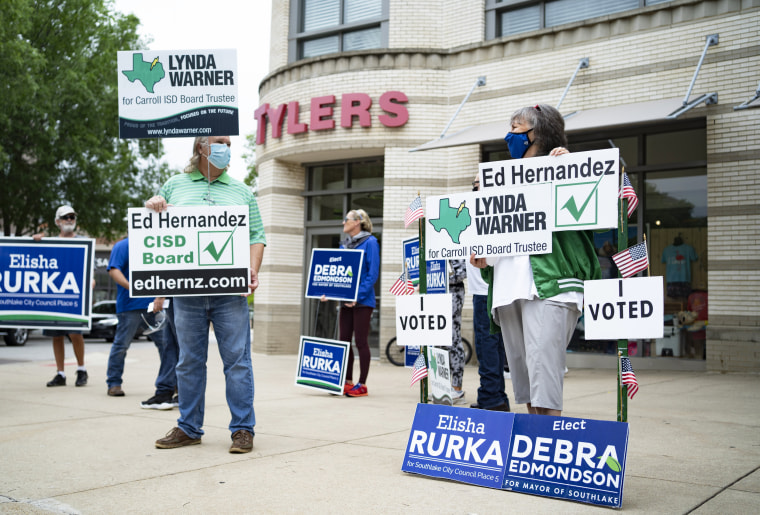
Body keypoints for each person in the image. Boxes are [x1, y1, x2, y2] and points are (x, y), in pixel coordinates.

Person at [470, 104, 601, 416]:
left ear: (537, 133)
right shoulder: (503, 178)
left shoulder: (566, 168)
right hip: (508, 285)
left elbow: (605, 209)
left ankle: (547, 449)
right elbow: (503, 230)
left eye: (516, 129)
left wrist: (574, 170)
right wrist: (484, 258)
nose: (509, 136)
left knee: (545, 372)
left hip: (550, 283)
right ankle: (534, 448)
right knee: (525, 376)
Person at [146, 135, 265, 454]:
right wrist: (153, 209)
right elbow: (156, 234)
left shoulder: (241, 191)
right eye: (219, 141)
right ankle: (188, 427)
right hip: (187, 294)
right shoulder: (174, 185)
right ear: (201, 146)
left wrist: (252, 269)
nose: (227, 146)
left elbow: (257, 236)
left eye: (228, 141)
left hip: (231, 293)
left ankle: (242, 429)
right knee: (188, 362)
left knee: (238, 362)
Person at [105, 237, 175, 408]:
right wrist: (133, 287)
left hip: (155, 305)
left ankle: (170, 384)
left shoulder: (156, 242)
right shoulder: (123, 245)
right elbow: (114, 270)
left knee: (167, 346)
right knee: (121, 345)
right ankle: (114, 383)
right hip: (130, 306)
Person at [467, 178, 510, 412]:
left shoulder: (494, 212)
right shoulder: (476, 212)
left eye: (478, 182)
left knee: (488, 344)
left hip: (487, 290)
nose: (474, 186)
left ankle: (491, 397)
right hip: (481, 289)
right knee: (491, 345)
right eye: (473, 182)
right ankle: (495, 396)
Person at [35, 206, 88, 388]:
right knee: (56, 336)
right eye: (65, 217)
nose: (69, 220)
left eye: (72, 216)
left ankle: (81, 369)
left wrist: (89, 286)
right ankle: (61, 373)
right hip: (54, 295)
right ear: (57, 221)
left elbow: (90, 275)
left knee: (75, 333)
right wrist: (36, 243)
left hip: (73, 296)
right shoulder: (50, 242)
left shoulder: (83, 243)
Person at [329, 209, 380, 397]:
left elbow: (372, 274)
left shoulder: (371, 243)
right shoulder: (344, 246)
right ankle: (347, 381)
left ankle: (362, 384)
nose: (343, 223)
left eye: (346, 220)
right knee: (343, 342)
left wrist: (356, 296)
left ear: (357, 222)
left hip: (363, 301)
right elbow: (338, 273)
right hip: (345, 301)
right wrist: (328, 291)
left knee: (360, 342)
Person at [448, 259, 467, 404]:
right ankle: (442, 385)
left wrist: (442, 279)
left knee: (453, 340)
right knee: (439, 343)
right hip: (436, 294)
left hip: (453, 294)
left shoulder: (454, 244)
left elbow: (462, 272)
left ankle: (456, 388)